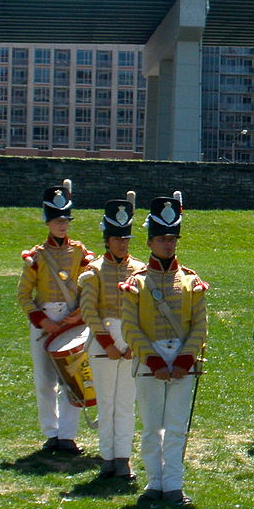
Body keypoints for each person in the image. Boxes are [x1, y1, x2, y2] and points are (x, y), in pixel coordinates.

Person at [121, 193, 208, 507]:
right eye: (161, 239)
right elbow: (130, 327)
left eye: (172, 239)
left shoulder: (190, 281)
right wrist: (153, 358)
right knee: (151, 427)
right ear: (149, 243)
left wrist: (185, 357)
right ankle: (153, 484)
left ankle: (173, 485)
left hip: (182, 358)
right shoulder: (136, 284)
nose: (168, 245)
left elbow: (199, 325)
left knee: (176, 427)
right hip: (150, 360)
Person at [16, 180, 94, 455]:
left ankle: (68, 435)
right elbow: (24, 294)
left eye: (65, 220)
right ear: (48, 222)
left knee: (70, 379)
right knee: (45, 380)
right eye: (57, 220)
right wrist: (43, 321)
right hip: (44, 318)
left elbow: (88, 287)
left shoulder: (80, 252)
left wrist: (75, 316)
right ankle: (51, 433)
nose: (62, 225)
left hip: (72, 318)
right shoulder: (36, 256)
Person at [78, 193, 146, 479]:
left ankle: (124, 457)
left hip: (130, 339)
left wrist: (133, 343)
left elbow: (144, 309)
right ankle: (108, 456)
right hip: (104, 339)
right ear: (107, 240)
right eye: (118, 238)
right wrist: (108, 343)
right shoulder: (93, 271)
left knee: (126, 405)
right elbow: (89, 311)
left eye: (126, 239)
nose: (123, 243)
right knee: (106, 403)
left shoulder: (140, 269)